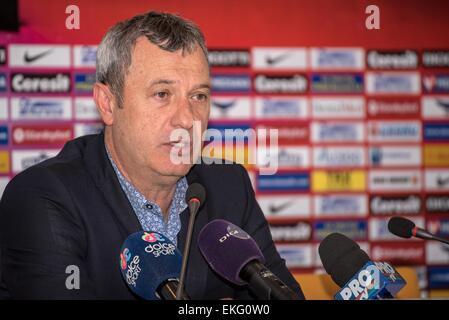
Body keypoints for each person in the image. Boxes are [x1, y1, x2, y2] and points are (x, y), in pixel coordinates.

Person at [0, 11, 304, 300]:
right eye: (162, 94)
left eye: (198, 96)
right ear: (107, 103)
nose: (187, 119)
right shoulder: (43, 196)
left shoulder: (229, 186)